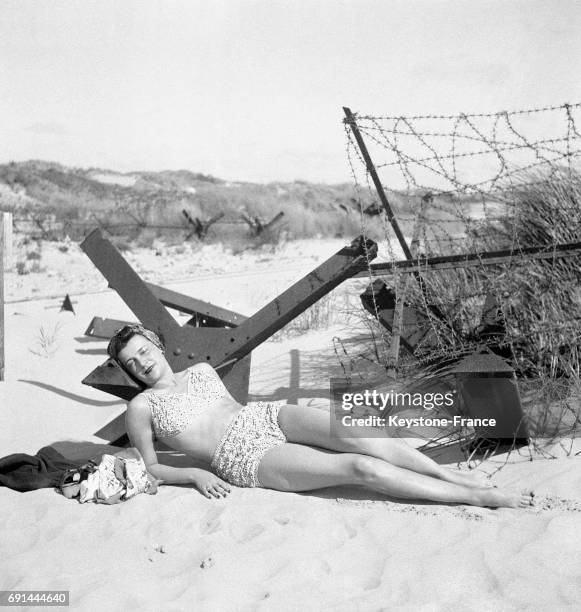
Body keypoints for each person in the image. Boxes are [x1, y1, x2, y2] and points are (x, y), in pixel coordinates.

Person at [107, 324, 534, 508]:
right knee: (358, 467)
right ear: (129, 372)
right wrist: (196, 475)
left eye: (143, 351)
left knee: (357, 431)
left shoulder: (199, 370)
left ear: (156, 344)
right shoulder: (140, 408)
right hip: (241, 457)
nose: (142, 363)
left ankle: (453, 476)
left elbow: (231, 410)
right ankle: (476, 496)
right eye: (132, 363)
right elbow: (152, 468)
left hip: (264, 415)